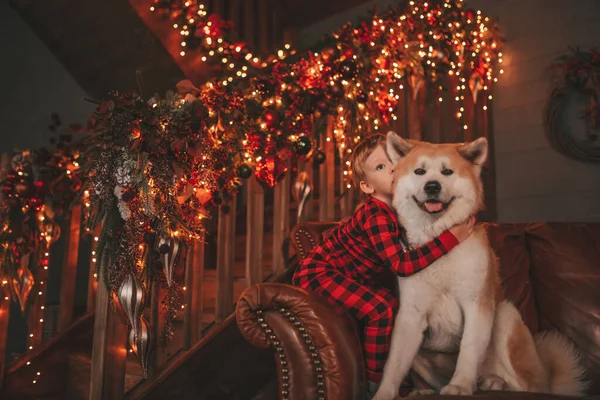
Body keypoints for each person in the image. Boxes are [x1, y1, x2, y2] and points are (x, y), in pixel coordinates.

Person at [292, 133, 476, 395]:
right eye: (380, 167)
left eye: (394, 161)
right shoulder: (375, 213)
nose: (392, 169)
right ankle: (376, 384)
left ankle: (399, 377)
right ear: (367, 187)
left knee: (393, 304)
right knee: (381, 308)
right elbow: (401, 264)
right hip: (318, 273)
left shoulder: (405, 210)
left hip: (347, 276)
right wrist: (450, 239)